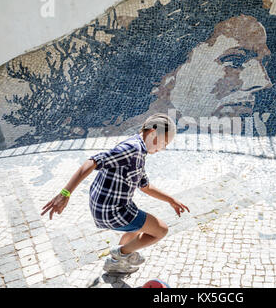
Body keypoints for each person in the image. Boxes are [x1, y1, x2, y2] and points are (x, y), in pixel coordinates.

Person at [41, 113, 190, 273]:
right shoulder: (131, 148)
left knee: (136, 228)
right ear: (152, 132)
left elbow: (145, 186)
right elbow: (93, 161)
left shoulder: (140, 151)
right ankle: (120, 254)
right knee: (161, 230)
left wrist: (171, 200)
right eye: (163, 143)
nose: (162, 149)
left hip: (113, 206)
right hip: (112, 211)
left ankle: (115, 262)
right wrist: (65, 193)